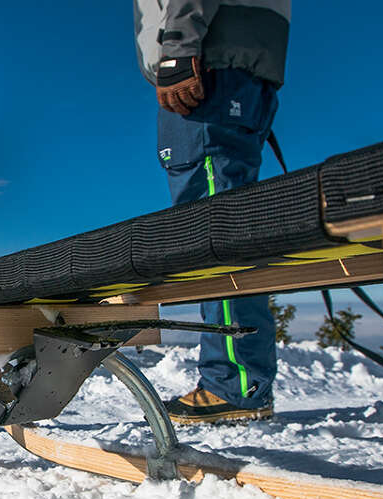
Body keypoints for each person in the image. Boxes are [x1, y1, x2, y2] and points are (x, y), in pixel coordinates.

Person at [134, 0, 290, 423]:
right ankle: (242, 379)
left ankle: (235, 383)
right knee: (226, 221)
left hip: (205, 64)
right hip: (233, 59)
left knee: (210, 229)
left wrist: (179, 47)